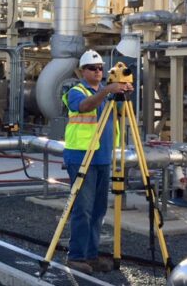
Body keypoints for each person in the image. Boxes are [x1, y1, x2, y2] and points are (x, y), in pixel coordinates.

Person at [61, 49, 133, 275]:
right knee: (83, 209)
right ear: (83, 71)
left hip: (102, 157)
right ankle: (76, 256)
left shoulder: (106, 92)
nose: (98, 71)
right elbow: (84, 106)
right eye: (93, 68)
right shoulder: (75, 91)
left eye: (101, 67)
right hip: (82, 156)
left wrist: (122, 94)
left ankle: (91, 255)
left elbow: (120, 113)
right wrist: (108, 91)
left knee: (98, 209)